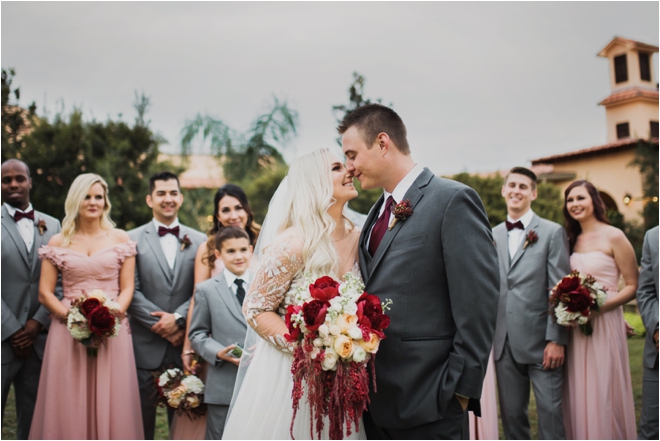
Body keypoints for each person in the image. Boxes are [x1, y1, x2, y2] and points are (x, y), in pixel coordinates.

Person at [339, 103, 499, 439]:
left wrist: (459, 392)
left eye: (352, 155)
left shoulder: (452, 201)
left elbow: (478, 306)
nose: (349, 167)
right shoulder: (373, 214)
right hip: (375, 404)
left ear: (383, 143)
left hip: (431, 402)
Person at [222, 148, 363, 439]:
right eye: (337, 167)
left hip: (346, 376)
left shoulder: (361, 237)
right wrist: (312, 350)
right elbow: (255, 308)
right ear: (315, 183)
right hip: (291, 378)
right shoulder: (293, 243)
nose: (349, 170)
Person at [28, 173, 143, 439]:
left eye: (98, 197)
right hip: (67, 328)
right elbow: (45, 293)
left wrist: (110, 316)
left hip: (112, 328)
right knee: (68, 391)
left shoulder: (120, 239)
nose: (93, 202)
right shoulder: (58, 242)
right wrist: (73, 319)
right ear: (75, 200)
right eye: (87, 197)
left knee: (112, 392)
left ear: (106, 201)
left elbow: (128, 288)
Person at [172, 184, 259, 440]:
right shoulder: (208, 250)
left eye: (238, 207)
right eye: (225, 209)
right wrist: (192, 348)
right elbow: (196, 301)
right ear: (217, 215)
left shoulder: (265, 240)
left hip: (258, 368)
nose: (233, 214)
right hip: (222, 363)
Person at [492, 167, 570, 440]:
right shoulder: (492, 235)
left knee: (550, 416)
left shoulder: (551, 232)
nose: (516, 190)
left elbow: (560, 290)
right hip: (503, 344)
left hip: (543, 343)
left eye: (523, 187)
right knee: (512, 419)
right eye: (511, 185)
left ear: (533, 193)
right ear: (503, 190)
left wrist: (556, 339)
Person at [128, 171, 206, 440]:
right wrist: (162, 325)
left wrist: (178, 319)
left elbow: (200, 290)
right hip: (143, 349)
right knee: (140, 426)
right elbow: (131, 291)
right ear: (150, 199)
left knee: (184, 424)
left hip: (183, 348)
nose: (167, 198)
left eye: (173, 193)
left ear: (181, 198)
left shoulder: (200, 241)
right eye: (161, 193)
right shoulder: (131, 239)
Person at [562, 180, 638, 439]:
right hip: (575, 327)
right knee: (579, 388)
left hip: (604, 324)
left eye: (580, 198)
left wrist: (600, 308)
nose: (575, 204)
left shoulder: (614, 235)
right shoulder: (570, 239)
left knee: (603, 386)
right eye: (570, 200)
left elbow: (632, 285)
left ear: (594, 200)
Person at [1, 159, 61, 440]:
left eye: (19, 179)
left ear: (29, 182)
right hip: (3, 337)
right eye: (6, 180)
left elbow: (62, 280)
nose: (13, 184)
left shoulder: (54, 225)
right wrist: (13, 330)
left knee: (35, 419)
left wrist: (37, 323)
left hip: (40, 341)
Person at [189, 226, 253, 439]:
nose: (238, 256)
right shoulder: (206, 290)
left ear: (251, 250)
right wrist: (218, 352)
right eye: (231, 251)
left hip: (258, 381)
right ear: (218, 255)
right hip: (223, 384)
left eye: (243, 249)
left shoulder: (263, 286)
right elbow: (197, 334)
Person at [636, 225, 658, 440]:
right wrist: (658, 328)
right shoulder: (653, 237)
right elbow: (646, 292)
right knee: (650, 431)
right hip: (658, 356)